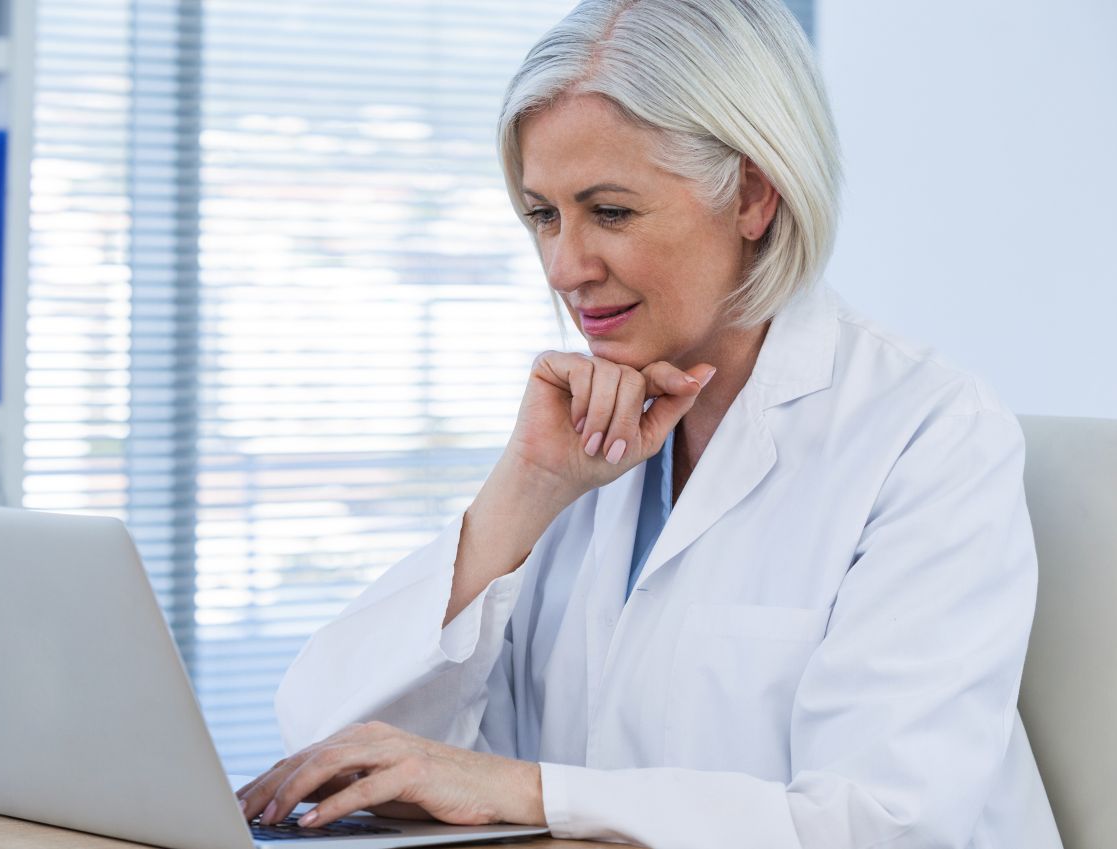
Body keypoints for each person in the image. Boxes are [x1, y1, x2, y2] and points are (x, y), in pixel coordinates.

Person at [234, 1, 1062, 846]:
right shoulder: (579, 440)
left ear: (751, 194)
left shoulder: (928, 434)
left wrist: (525, 789)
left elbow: (881, 824)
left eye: (612, 212)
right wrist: (521, 494)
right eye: (542, 215)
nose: (564, 267)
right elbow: (331, 751)